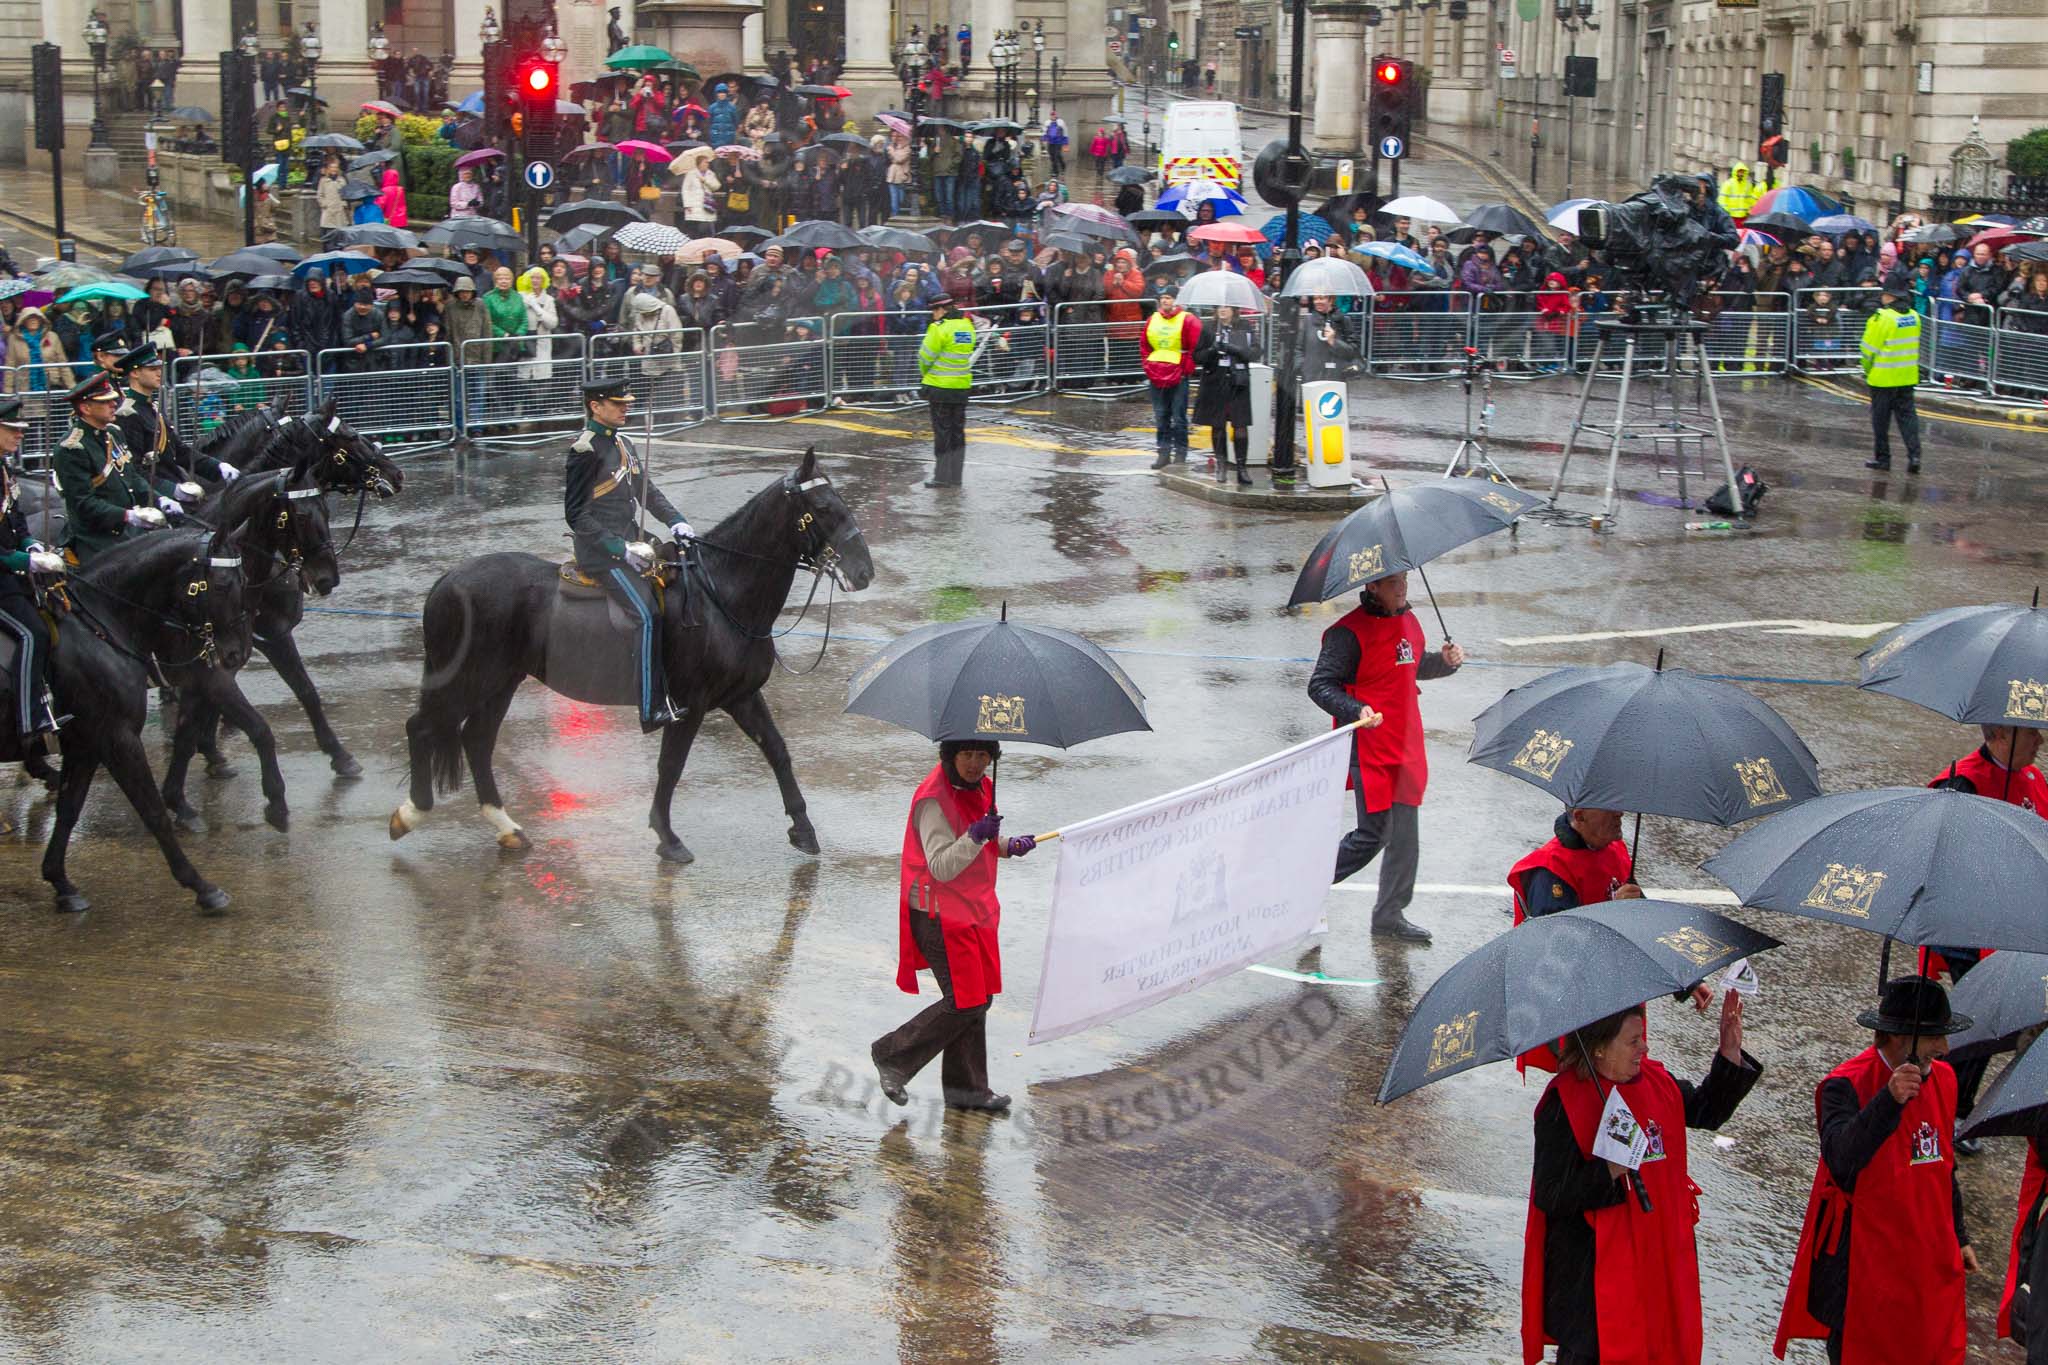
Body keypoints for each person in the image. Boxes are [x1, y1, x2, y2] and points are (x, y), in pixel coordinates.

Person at [1523, 992, 1760, 1365]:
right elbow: (1551, 1196)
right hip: (1595, 1279)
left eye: (1643, 1037)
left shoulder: (1656, 1079)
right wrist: (1608, 1172)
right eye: (1633, 1041)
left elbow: (1705, 1110)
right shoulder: (1564, 1102)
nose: (1644, 1047)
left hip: (1657, 1253)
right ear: (1599, 1047)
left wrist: (1729, 1054)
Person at [1774, 975, 1978, 1364]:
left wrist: (1960, 1234)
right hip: (1866, 1268)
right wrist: (1889, 1100)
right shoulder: (1845, 1085)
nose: (1945, 1048)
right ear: (1903, 1037)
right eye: (1936, 1037)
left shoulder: (1946, 1080)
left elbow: (1943, 1167)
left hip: (1925, 1260)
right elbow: (1841, 1160)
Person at [870, 738, 1037, 1113]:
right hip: (936, 911)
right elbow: (942, 866)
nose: (976, 763)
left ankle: (967, 1092)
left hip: (972, 909)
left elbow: (981, 839)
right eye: (967, 755)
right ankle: (892, 1055)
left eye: (983, 755)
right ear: (950, 756)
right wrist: (978, 836)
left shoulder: (983, 786)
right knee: (966, 1001)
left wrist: (1008, 845)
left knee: (978, 999)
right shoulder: (932, 800)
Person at [1307, 569, 1465, 942]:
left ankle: (1389, 915)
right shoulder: (1347, 634)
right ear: (1372, 586)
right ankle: (1305, 884)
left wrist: (1445, 662)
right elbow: (1320, 685)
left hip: (1407, 745)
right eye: (1394, 583)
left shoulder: (1409, 620)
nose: (1402, 588)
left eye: (1405, 581)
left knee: (1406, 838)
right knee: (1373, 834)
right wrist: (1355, 708)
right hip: (1371, 747)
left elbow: (1412, 666)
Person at [564, 379, 693, 733]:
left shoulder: (625, 444)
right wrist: (618, 549)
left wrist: (676, 521)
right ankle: (650, 706)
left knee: (686, 575)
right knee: (648, 616)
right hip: (601, 552)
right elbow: (576, 515)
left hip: (633, 539)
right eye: (617, 404)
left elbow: (646, 491)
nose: (625, 408)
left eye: (626, 403)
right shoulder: (583, 450)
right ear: (595, 406)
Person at [51, 371, 174, 564]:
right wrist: (127, 515)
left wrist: (160, 499)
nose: (113, 405)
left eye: (113, 400)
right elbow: (83, 503)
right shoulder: (73, 448)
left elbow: (132, 478)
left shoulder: (114, 433)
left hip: (128, 530)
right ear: (86, 408)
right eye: (105, 402)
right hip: (97, 538)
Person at [0, 397, 63, 743]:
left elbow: (16, 522)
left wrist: (31, 545)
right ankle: (31, 719)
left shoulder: (4, 469)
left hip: (9, 573)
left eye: (21, 429)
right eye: (12, 429)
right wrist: (25, 562)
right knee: (32, 632)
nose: (19, 435)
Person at [113, 341, 239, 491]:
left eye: (159, 368)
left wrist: (218, 467)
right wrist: (171, 491)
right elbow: (135, 470)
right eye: (152, 369)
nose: (159, 373)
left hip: (175, 481)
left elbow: (180, 451)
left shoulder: (153, 407)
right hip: (155, 496)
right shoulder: (127, 414)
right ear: (134, 373)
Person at [1861, 269, 1923, 473]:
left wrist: (1868, 371)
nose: (1882, 296)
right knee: (1908, 420)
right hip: (1906, 377)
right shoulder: (1914, 317)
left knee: (1881, 422)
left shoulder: (1882, 318)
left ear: (1891, 295)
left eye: (1884, 292)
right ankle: (1914, 456)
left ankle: (1883, 459)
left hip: (1883, 379)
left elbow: (1868, 351)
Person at [1193, 303, 1259, 486]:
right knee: (1218, 424)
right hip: (1215, 381)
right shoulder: (1208, 328)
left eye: (1227, 307)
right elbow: (1197, 357)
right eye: (1219, 307)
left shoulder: (1245, 326)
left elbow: (1255, 352)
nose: (1223, 310)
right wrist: (1213, 350)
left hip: (1238, 382)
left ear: (1234, 310)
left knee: (1240, 425)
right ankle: (1221, 464)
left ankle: (1241, 468)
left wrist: (1234, 349)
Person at [917, 295, 976, 488]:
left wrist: (926, 376)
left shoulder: (938, 328)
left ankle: (941, 477)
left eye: (934, 310)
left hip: (939, 388)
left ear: (942, 310)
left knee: (942, 433)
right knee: (958, 433)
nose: (933, 315)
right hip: (961, 387)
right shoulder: (967, 326)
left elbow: (925, 357)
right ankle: (956, 477)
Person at [1144, 290, 1200, 470]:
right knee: (1161, 415)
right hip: (1157, 373)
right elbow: (1144, 344)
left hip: (1178, 374)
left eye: (1168, 297)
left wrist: (1186, 368)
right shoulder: (1153, 318)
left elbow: (1195, 346)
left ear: (1176, 300)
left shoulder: (1188, 319)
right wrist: (1147, 365)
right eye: (1162, 298)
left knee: (1178, 416)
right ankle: (1164, 453)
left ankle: (1180, 454)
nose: (1164, 301)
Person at [1717, 161, 1759, 228]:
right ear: (1735, 172)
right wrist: (1726, 213)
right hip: (1731, 216)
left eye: (1742, 172)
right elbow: (1722, 200)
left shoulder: (1748, 185)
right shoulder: (1728, 184)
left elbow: (1750, 200)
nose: (1741, 173)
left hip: (1744, 217)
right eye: (1739, 171)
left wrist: (1750, 211)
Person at [1042, 109, 1068, 177]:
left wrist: (1065, 141)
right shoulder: (1047, 122)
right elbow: (1044, 131)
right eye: (1052, 115)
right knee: (1052, 156)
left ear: (1056, 115)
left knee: (1057, 155)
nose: (1053, 116)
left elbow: (1065, 131)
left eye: (1054, 115)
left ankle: (1057, 170)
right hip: (1050, 142)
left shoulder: (1061, 122)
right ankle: (1054, 168)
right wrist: (1044, 139)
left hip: (1058, 142)